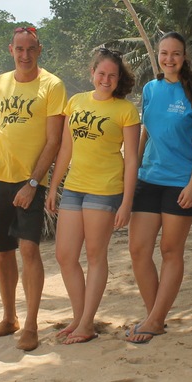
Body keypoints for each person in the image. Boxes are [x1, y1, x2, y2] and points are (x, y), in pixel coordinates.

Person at [46, 47, 140, 344]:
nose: (106, 79)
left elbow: (132, 159)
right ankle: (79, 317)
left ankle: (86, 324)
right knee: (65, 255)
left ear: (118, 78)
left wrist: (127, 202)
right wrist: (53, 187)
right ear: (92, 73)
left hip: (106, 188)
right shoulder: (75, 102)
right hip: (75, 186)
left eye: (112, 75)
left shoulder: (125, 110)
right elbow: (66, 149)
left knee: (95, 256)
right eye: (101, 73)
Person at [0, 26, 67, 351]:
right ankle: (9, 317)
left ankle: (30, 324)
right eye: (19, 49)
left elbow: (54, 140)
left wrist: (34, 183)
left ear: (39, 49)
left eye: (31, 49)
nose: (25, 55)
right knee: (3, 252)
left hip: (30, 181)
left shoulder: (52, 85)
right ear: (11, 50)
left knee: (29, 249)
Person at [126, 32, 192, 344]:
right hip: (148, 178)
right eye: (164, 53)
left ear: (184, 57)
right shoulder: (150, 89)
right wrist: (133, 170)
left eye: (175, 54)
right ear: (158, 56)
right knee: (138, 250)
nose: (169, 59)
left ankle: (154, 320)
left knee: (170, 251)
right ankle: (155, 317)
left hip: (181, 184)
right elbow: (146, 132)